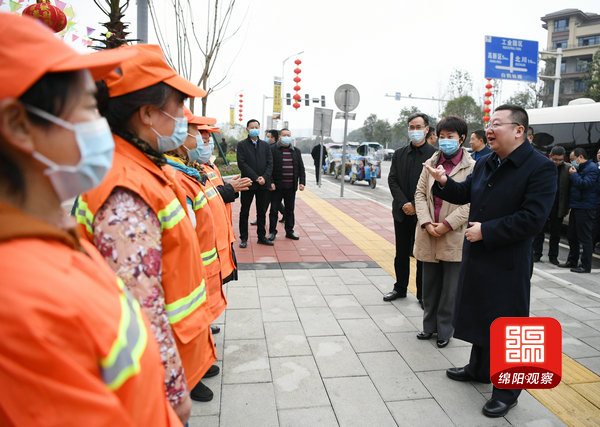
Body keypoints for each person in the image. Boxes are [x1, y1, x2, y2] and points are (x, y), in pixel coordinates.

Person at [0, 13, 179, 425]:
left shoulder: (52, 240)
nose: (102, 126)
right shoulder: (22, 304)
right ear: (18, 125)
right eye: (88, 108)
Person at [75, 44, 216, 418]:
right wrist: (171, 391)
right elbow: (141, 306)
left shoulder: (138, 166)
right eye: (179, 107)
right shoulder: (125, 187)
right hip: (149, 382)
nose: (185, 119)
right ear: (149, 113)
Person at [423, 104, 556, 418]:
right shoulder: (486, 162)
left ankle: (509, 391)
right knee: (481, 313)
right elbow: (465, 192)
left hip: (508, 260)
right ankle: (479, 368)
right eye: (489, 123)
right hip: (479, 253)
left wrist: (488, 231)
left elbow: (533, 219)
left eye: (497, 123)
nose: (490, 129)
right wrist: (443, 181)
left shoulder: (539, 167)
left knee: (510, 322)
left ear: (519, 130)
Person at [163, 108, 230, 401]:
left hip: (202, 264)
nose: (204, 142)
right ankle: (187, 377)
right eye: (198, 134)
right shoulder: (174, 176)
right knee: (183, 326)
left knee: (198, 321)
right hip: (186, 270)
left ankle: (198, 367)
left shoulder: (191, 171)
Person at [413, 116, 475, 348]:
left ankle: (445, 330)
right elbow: (419, 194)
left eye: (450, 136)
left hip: (453, 234)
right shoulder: (430, 162)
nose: (445, 141)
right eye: (442, 136)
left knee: (450, 290)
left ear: (461, 139)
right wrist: (427, 222)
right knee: (429, 286)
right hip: (429, 232)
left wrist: (447, 224)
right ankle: (429, 327)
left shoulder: (472, 167)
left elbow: (471, 202)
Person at [385, 112, 436, 303]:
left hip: (424, 214)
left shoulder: (434, 155)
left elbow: (434, 185)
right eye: (411, 127)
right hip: (401, 211)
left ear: (426, 129)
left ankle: (422, 294)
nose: (414, 131)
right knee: (401, 253)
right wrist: (404, 203)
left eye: (418, 127)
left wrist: (416, 205)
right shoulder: (399, 154)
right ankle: (400, 288)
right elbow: (392, 180)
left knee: (422, 255)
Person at [558, 147, 599, 273]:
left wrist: (574, 175)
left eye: (572, 159)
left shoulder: (592, 169)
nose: (572, 162)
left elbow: (584, 184)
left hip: (586, 207)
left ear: (580, 157)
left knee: (585, 237)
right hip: (577, 206)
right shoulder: (582, 167)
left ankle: (585, 265)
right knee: (572, 235)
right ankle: (572, 260)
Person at [237, 119, 273, 247]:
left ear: (259, 128)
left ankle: (262, 237)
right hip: (248, 183)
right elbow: (242, 164)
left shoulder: (265, 145)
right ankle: (243, 238)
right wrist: (255, 177)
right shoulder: (241, 145)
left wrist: (264, 177)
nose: (254, 129)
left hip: (263, 184)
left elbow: (270, 163)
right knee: (244, 211)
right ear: (247, 129)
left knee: (262, 211)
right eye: (251, 127)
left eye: (256, 126)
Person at [532, 146, 571, 265]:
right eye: (555, 159)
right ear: (550, 157)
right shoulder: (544, 167)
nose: (557, 162)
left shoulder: (568, 169)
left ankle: (553, 256)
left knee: (555, 233)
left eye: (560, 160)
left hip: (558, 206)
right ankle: (537, 253)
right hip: (543, 205)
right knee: (539, 232)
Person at [267, 128, 305, 241]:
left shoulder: (296, 151)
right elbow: (269, 168)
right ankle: (272, 232)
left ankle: (290, 231)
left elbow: (301, 169)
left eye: (288, 135)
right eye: (284, 135)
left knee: (290, 210)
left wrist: (302, 182)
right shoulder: (272, 150)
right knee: (274, 210)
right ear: (279, 137)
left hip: (291, 187)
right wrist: (271, 182)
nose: (286, 137)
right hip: (276, 187)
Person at [252, 129, 283, 225]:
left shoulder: (272, 149)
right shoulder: (269, 147)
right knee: (272, 201)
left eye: (269, 137)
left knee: (266, 201)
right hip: (269, 179)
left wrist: (270, 181)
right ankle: (285, 213)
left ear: (274, 138)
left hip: (270, 179)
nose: (267, 138)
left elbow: (271, 166)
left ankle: (260, 219)